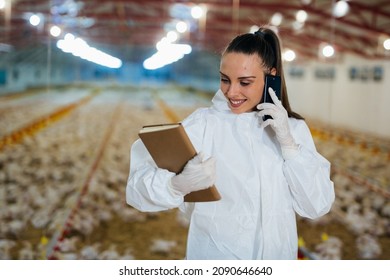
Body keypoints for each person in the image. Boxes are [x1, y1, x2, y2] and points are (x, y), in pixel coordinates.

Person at [126, 26, 335, 260]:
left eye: (244, 82)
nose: (231, 92)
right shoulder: (204, 125)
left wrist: (289, 146)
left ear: (271, 77)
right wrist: (175, 185)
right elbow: (136, 188)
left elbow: (317, 205)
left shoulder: (293, 130)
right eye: (225, 80)